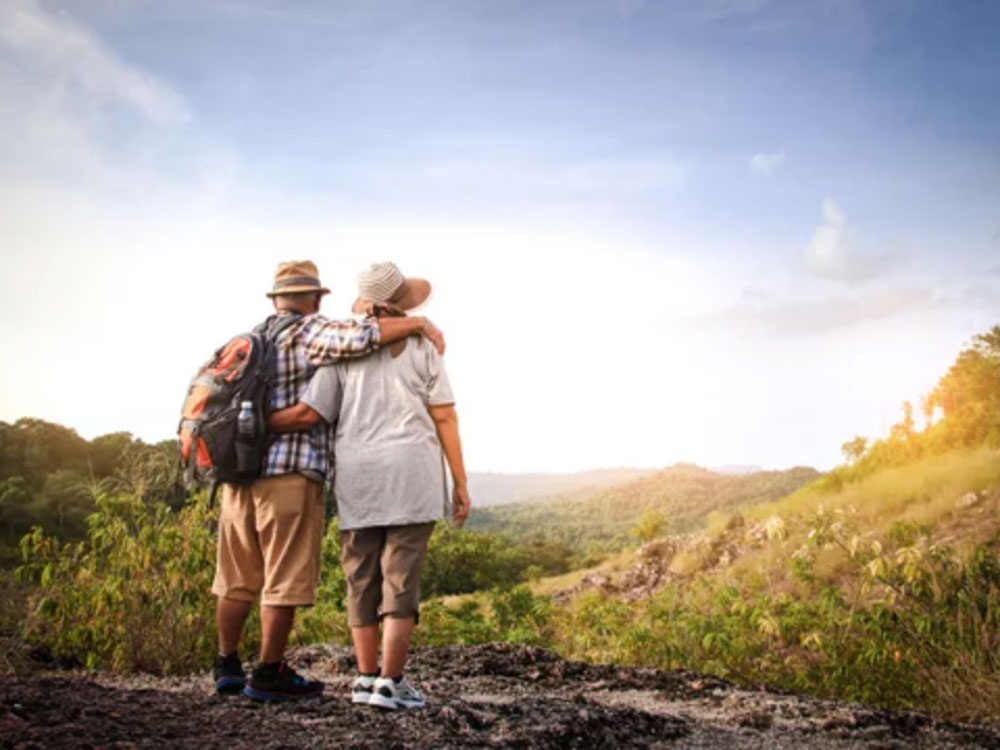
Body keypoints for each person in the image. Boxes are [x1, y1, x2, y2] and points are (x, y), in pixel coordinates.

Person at [211, 260, 446, 702]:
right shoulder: (311, 331)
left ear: (275, 298)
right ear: (316, 298)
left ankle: (226, 665)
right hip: (287, 473)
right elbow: (362, 338)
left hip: (238, 474)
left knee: (236, 577)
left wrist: (248, 430)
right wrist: (421, 323)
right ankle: (267, 672)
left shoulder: (251, 337)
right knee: (283, 577)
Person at [268, 261, 471, 711]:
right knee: (401, 579)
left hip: (357, 476)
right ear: (403, 303)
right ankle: (391, 684)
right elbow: (445, 416)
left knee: (360, 579)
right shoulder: (423, 346)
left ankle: (364, 679)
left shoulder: (342, 352)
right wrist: (460, 481)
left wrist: (249, 426)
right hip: (412, 472)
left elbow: (312, 412)